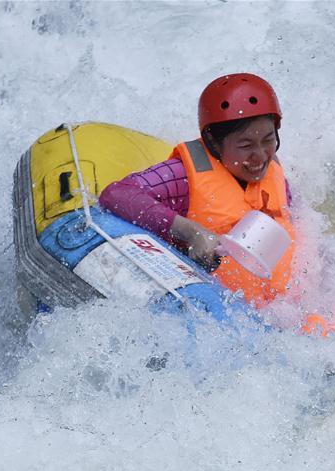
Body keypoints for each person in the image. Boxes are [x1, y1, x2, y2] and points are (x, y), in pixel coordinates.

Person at [99, 73, 295, 306]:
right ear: (213, 143)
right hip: (219, 308)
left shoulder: (275, 174)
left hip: (279, 310)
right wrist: (191, 232)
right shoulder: (183, 176)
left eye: (268, 140)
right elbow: (116, 194)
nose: (261, 155)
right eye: (245, 146)